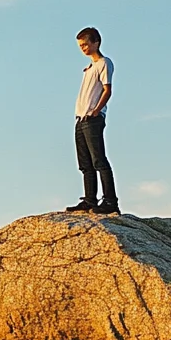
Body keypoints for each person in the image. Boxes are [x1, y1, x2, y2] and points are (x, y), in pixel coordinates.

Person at [66, 27, 119, 215]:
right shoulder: (89, 68)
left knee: (99, 160)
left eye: (86, 44)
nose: (84, 48)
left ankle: (110, 202)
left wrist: (96, 111)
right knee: (85, 163)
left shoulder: (104, 63)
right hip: (80, 119)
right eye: (81, 45)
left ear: (96, 42)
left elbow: (107, 90)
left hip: (92, 118)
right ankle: (89, 200)